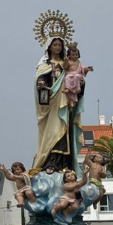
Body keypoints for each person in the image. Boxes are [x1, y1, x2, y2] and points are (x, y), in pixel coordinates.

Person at [32, 37, 82, 173]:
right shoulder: (44, 64)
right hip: (53, 104)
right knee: (53, 131)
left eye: (60, 44)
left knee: (66, 131)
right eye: (55, 44)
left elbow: (77, 76)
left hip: (66, 101)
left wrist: (81, 84)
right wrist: (42, 83)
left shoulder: (67, 63)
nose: (58, 47)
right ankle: (50, 162)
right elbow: (40, 78)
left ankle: (65, 164)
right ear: (49, 47)